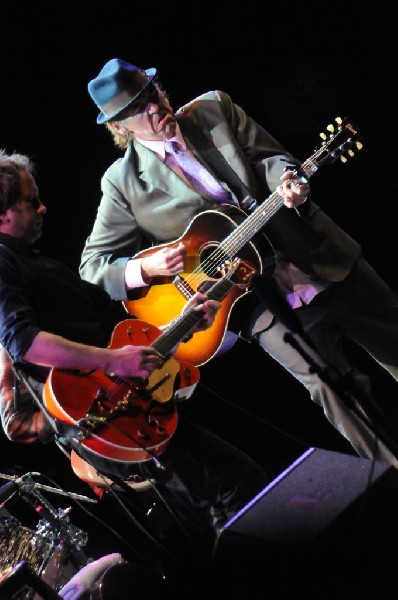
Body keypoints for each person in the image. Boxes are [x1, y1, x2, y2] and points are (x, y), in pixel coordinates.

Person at [80, 57, 398, 468]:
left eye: (152, 95)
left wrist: (289, 183)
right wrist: (148, 267)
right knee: (334, 392)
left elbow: (271, 159)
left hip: (315, 252)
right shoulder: (122, 182)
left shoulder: (213, 108)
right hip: (254, 301)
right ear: (120, 127)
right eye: (138, 109)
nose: (155, 108)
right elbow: (93, 265)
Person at [0, 150, 269, 594]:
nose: (44, 208)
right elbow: (26, 343)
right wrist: (115, 362)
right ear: (5, 214)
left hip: (130, 401)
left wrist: (181, 323)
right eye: (32, 201)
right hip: (108, 415)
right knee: (238, 487)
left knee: (214, 511)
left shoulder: (40, 264)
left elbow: (117, 335)